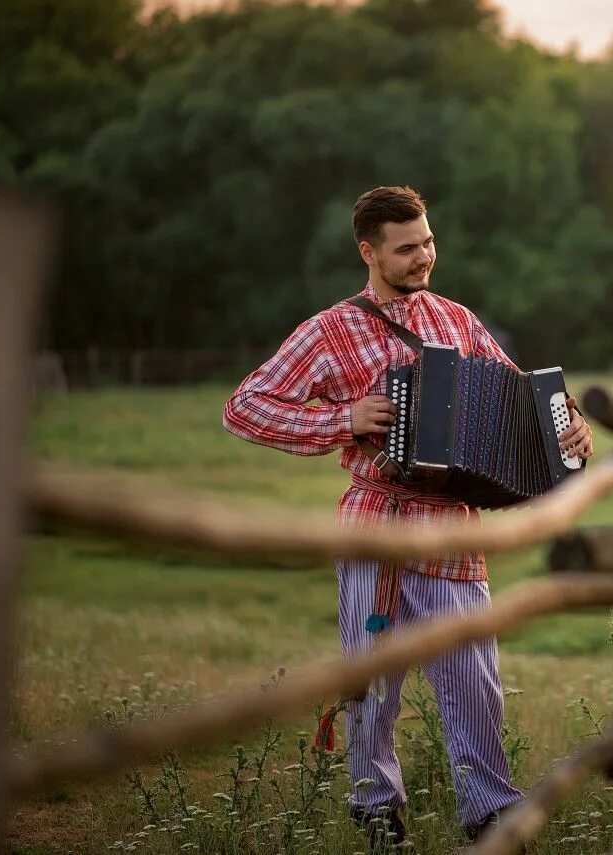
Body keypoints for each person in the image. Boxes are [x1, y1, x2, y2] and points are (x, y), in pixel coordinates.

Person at [222, 186, 594, 848]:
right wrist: (344, 418)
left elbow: (523, 401)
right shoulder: (329, 330)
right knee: (372, 680)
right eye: (406, 248)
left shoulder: (457, 318)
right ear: (368, 252)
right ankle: (375, 809)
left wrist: (569, 428)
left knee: (473, 679)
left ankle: (490, 813)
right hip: (376, 520)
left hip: (450, 524)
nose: (424, 255)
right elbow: (245, 406)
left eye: (427, 241)